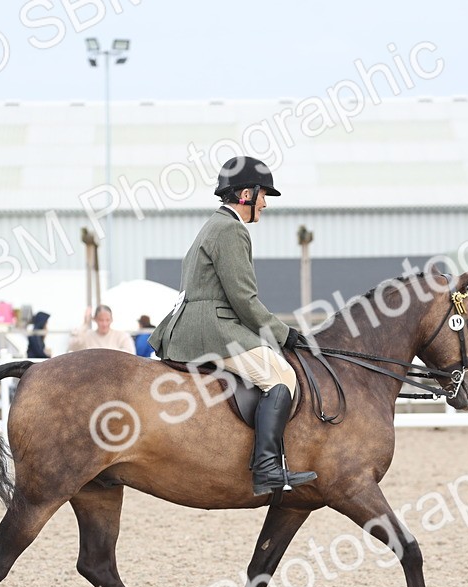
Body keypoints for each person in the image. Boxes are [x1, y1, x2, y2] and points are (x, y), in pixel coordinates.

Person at [149, 155, 316, 496]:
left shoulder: (213, 225)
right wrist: (285, 334)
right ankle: (268, 468)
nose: (265, 204)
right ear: (245, 194)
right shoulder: (231, 229)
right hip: (212, 327)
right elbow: (244, 299)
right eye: (263, 195)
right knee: (281, 375)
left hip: (197, 321)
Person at [68, 305, 136, 354]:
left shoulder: (122, 336)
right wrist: (85, 324)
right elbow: (72, 346)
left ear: (112, 319)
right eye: (101, 320)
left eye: (107, 320)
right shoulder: (87, 336)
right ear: (95, 319)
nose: (104, 324)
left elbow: (131, 354)